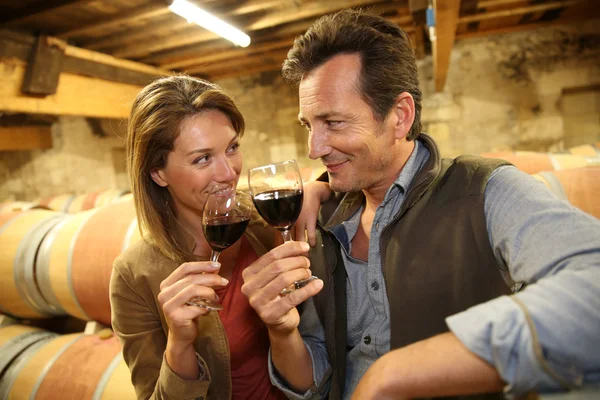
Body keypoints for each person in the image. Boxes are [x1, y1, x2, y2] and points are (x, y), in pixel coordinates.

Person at [240, 9, 600, 400]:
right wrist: (280, 330)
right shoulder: (319, 217)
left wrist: (394, 374)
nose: (314, 148)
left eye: (334, 123)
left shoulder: (485, 190)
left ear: (400, 115)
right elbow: (315, 377)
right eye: (308, 125)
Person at [109, 75, 325, 400]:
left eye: (232, 148)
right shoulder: (133, 275)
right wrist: (179, 343)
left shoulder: (267, 226)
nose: (228, 173)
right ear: (158, 173)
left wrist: (320, 188)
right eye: (202, 159)